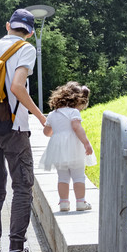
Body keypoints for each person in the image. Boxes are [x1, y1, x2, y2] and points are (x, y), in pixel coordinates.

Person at [0, 8, 49, 252]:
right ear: (30, 32)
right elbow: (17, 86)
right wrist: (42, 118)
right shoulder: (26, 49)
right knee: (22, 186)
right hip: (14, 129)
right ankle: (17, 251)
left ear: (8, 25)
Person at [40, 82, 95, 212]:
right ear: (77, 99)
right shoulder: (74, 112)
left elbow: (47, 132)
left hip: (58, 149)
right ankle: (80, 202)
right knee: (78, 176)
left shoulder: (53, 114)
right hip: (74, 147)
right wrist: (86, 143)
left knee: (62, 177)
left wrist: (58, 131)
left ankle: (64, 203)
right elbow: (77, 127)